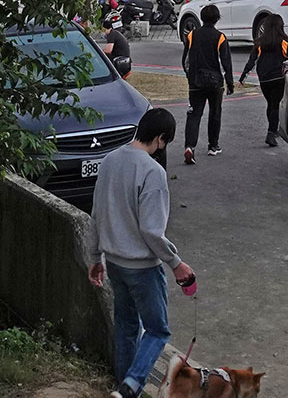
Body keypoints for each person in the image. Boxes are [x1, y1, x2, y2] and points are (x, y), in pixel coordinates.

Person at [87, 108, 194, 398]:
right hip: (142, 268)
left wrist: (95, 258)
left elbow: (96, 214)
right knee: (158, 331)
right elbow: (151, 230)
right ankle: (132, 384)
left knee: (125, 326)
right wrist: (175, 263)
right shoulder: (152, 172)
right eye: (165, 142)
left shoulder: (109, 161)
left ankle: (121, 388)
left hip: (115, 264)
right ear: (160, 139)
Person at [181, 4, 234, 163]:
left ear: (202, 18)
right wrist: (230, 83)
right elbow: (226, 63)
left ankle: (190, 147)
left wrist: (189, 76)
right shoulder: (220, 37)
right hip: (215, 82)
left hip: (196, 81)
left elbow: (185, 60)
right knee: (215, 113)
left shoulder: (192, 35)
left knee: (194, 114)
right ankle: (213, 146)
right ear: (217, 19)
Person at [239, 12, 288, 147]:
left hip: (264, 78)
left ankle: (272, 129)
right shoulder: (284, 42)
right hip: (278, 77)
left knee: (270, 104)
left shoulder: (260, 43)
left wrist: (242, 77)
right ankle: (271, 132)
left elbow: (251, 61)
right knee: (276, 104)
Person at [102, 11, 132, 79]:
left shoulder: (112, 34)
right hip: (125, 60)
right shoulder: (116, 33)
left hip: (120, 60)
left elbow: (108, 50)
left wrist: (100, 51)